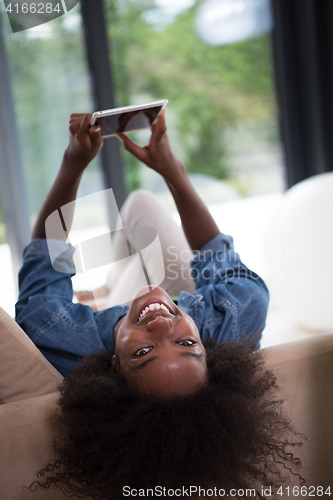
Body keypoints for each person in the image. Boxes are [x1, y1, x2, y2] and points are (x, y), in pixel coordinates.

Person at [15, 112, 304, 498]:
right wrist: (171, 168)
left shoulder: (60, 336)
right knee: (141, 205)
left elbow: (45, 255)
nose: (164, 328)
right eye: (187, 345)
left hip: (124, 308)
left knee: (136, 219)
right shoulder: (229, 319)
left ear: (114, 368)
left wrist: (74, 162)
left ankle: (110, 288)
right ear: (208, 352)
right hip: (177, 292)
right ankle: (118, 287)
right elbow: (215, 253)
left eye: (145, 353)